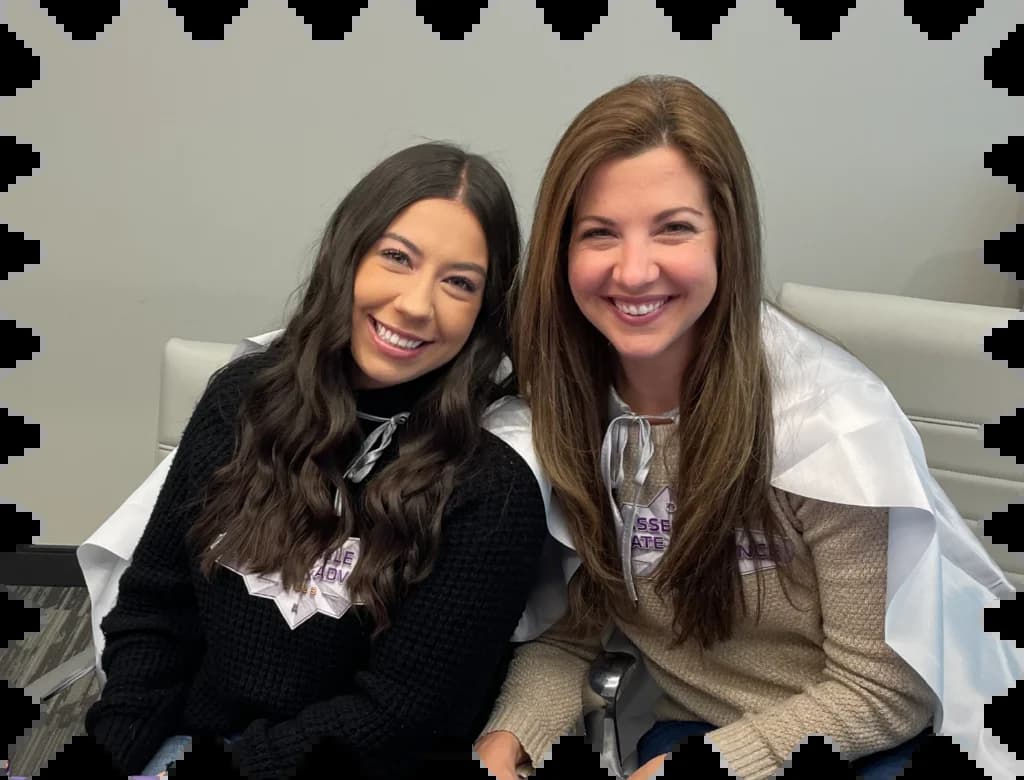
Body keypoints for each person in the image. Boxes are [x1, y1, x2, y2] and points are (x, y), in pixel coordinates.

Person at [473, 75, 1020, 780]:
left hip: (870, 742)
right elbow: (572, 637)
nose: (634, 271)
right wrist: (509, 739)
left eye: (674, 228)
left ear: (727, 239)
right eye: (599, 233)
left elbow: (884, 691)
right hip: (693, 733)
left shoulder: (825, 427)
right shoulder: (561, 410)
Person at [80, 141, 551, 780]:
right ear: (347, 254)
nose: (416, 304)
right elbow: (154, 612)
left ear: (484, 311)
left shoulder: (491, 485)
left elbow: (401, 715)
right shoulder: (242, 401)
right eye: (396, 258)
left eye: (459, 283)